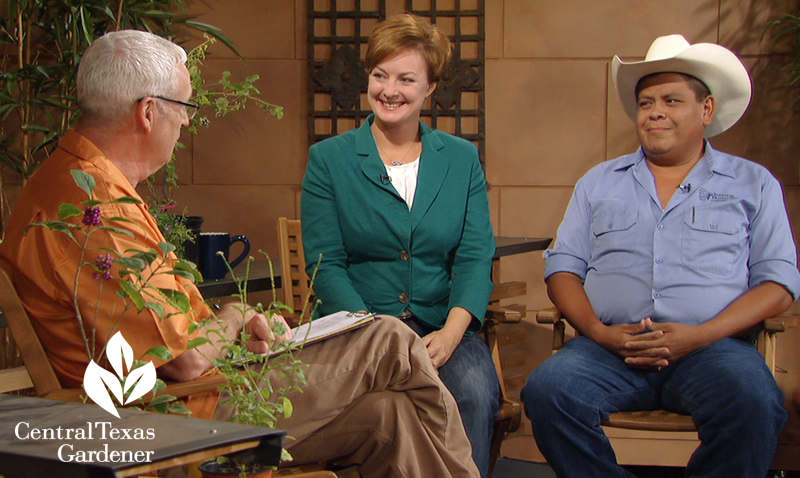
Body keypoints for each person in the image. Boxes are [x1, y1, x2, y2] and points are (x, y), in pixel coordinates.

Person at [0, 30, 480, 478]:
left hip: (199, 393)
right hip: (182, 417)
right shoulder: (94, 209)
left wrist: (236, 328)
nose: (187, 119)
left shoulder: (73, 181)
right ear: (148, 112)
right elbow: (185, 360)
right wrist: (232, 316)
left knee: (390, 414)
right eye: (184, 106)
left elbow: (167, 334)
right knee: (389, 339)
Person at [521, 34, 800, 478]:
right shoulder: (598, 182)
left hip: (713, 350)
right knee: (548, 392)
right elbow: (563, 268)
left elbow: (779, 283)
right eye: (647, 102)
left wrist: (700, 335)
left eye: (671, 100)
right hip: (611, 349)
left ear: (706, 110)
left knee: (755, 402)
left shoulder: (753, 184)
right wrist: (598, 331)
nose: (655, 112)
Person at [301, 14, 499, 477]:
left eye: (406, 79)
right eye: (380, 76)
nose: (390, 90)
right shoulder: (329, 159)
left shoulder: (461, 158)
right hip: (359, 330)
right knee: (386, 407)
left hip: (440, 328)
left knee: (472, 392)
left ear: (430, 88)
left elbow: (474, 256)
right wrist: (376, 336)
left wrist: (452, 335)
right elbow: (325, 265)